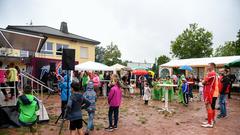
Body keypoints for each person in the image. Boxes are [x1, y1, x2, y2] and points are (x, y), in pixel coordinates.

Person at [201, 63, 219, 128]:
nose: (207, 67)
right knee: (208, 106)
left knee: (209, 106)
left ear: (212, 66)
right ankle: (210, 120)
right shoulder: (214, 74)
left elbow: (204, 82)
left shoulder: (211, 74)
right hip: (210, 91)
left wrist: (203, 81)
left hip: (209, 92)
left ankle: (210, 122)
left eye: (208, 66)